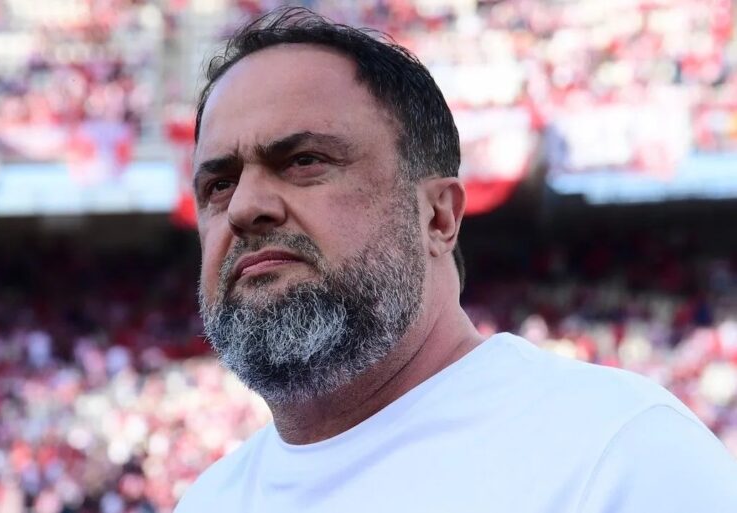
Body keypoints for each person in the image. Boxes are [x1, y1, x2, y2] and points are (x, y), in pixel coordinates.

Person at [177, 7, 737, 512]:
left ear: (439, 217)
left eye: (303, 161)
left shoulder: (618, 456)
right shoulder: (207, 499)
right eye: (219, 185)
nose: (244, 207)